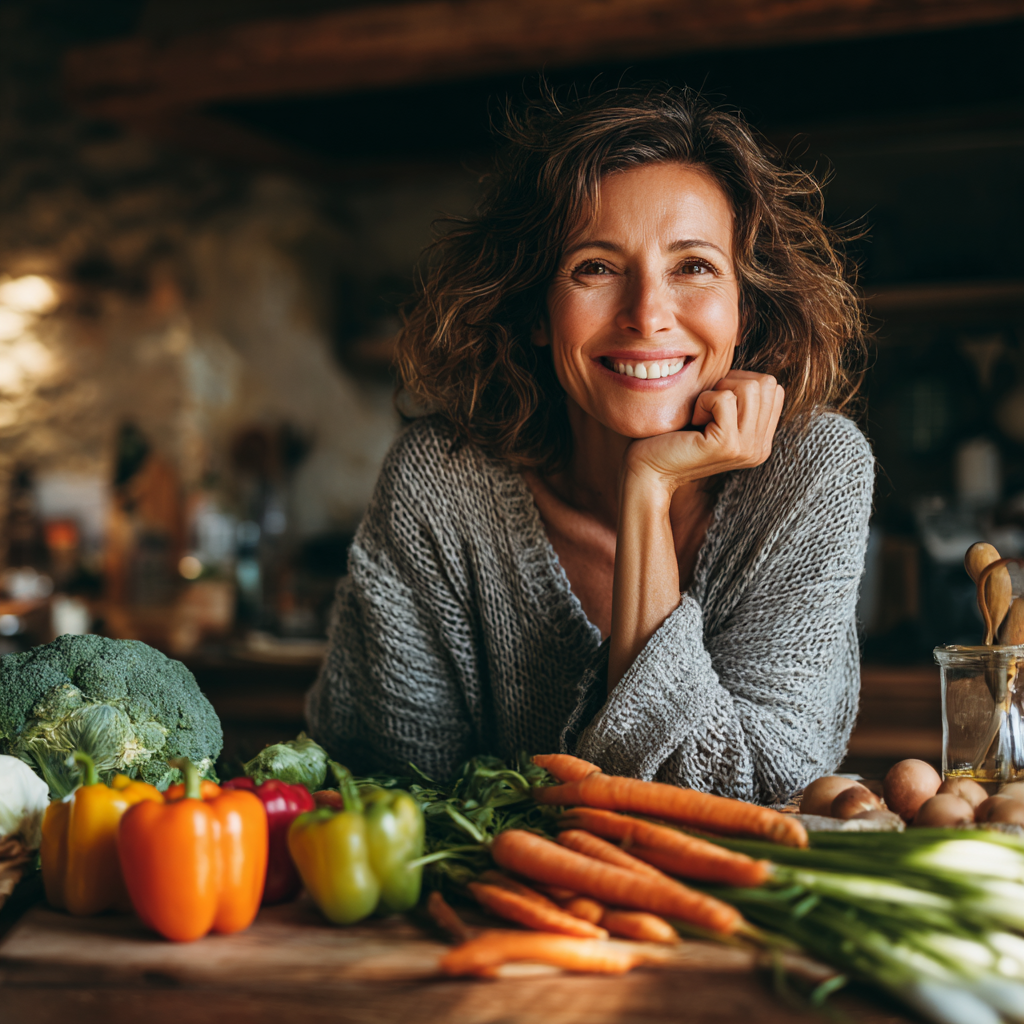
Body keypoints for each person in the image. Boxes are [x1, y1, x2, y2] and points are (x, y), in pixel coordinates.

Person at [306, 85, 873, 804]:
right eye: (595, 268)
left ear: (745, 307)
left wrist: (648, 488)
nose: (647, 315)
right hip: (498, 913)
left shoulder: (815, 471)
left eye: (693, 266)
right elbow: (382, 795)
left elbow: (750, 797)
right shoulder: (440, 485)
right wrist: (651, 486)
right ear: (538, 311)